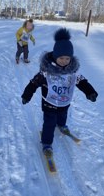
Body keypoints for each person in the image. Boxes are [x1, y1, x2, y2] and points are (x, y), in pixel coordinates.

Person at [21, 28, 98, 156]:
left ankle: (62, 125)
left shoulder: (72, 72)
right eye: (61, 58)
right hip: (49, 104)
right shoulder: (46, 72)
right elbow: (33, 83)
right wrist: (26, 95)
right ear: (55, 56)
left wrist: (90, 92)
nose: (64, 61)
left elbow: (82, 82)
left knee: (63, 115)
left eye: (67, 58)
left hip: (64, 102)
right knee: (49, 124)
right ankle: (46, 143)